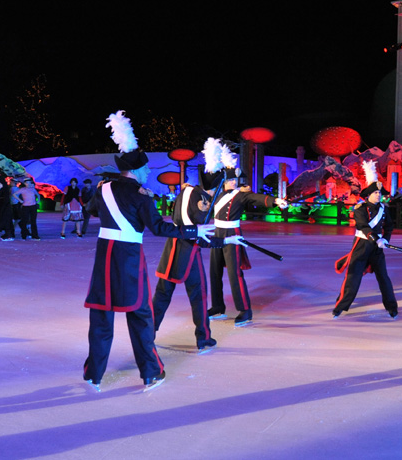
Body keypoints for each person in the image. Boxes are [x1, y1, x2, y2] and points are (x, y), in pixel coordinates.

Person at [82, 110, 238, 392]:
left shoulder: (103, 188)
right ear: (138, 170)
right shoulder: (141, 196)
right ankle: (151, 372)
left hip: (104, 260)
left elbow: (90, 210)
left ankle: (94, 375)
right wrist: (193, 231)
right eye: (145, 170)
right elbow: (159, 228)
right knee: (140, 316)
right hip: (128, 259)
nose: (146, 174)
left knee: (101, 317)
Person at [205, 139, 288, 327]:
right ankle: (218, 307)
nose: (232, 182)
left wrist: (275, 200)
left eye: (234, 180)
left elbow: (255, 197)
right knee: (214, 272)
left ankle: (245, 310)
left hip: (232, 233)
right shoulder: (217, 194)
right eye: (229, 180)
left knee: (235, 274)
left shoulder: (241, 194)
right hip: (217, 233)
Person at [153, 183, 223, 353]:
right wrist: (224, 241)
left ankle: (146, 334)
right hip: (189, 252)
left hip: (172, 249)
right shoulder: (198, 196)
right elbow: (199, 234)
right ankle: (203, 338)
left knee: (162, 296)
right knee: (199, 296)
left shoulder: (185, 193)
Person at [333, 160, 398, 319]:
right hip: (362, 246)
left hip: (377, 248)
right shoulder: (360, 209)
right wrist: (377, 239)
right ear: (368, 195)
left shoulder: (383, 209)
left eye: (380, 193)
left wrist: (386, 240)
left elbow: (388, 226)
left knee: (384, 278)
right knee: (353, 278)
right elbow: (363, 226)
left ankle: (391, 307)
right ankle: (340, 307)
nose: (379, 195)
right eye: (376, 193)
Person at [0, 175, 15, 241]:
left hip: (5, 205)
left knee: (5, 219)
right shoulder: (1, 187)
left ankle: (9, 234)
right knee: (5, 219)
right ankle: (9, 233)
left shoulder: (4, 186)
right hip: (2, 204)